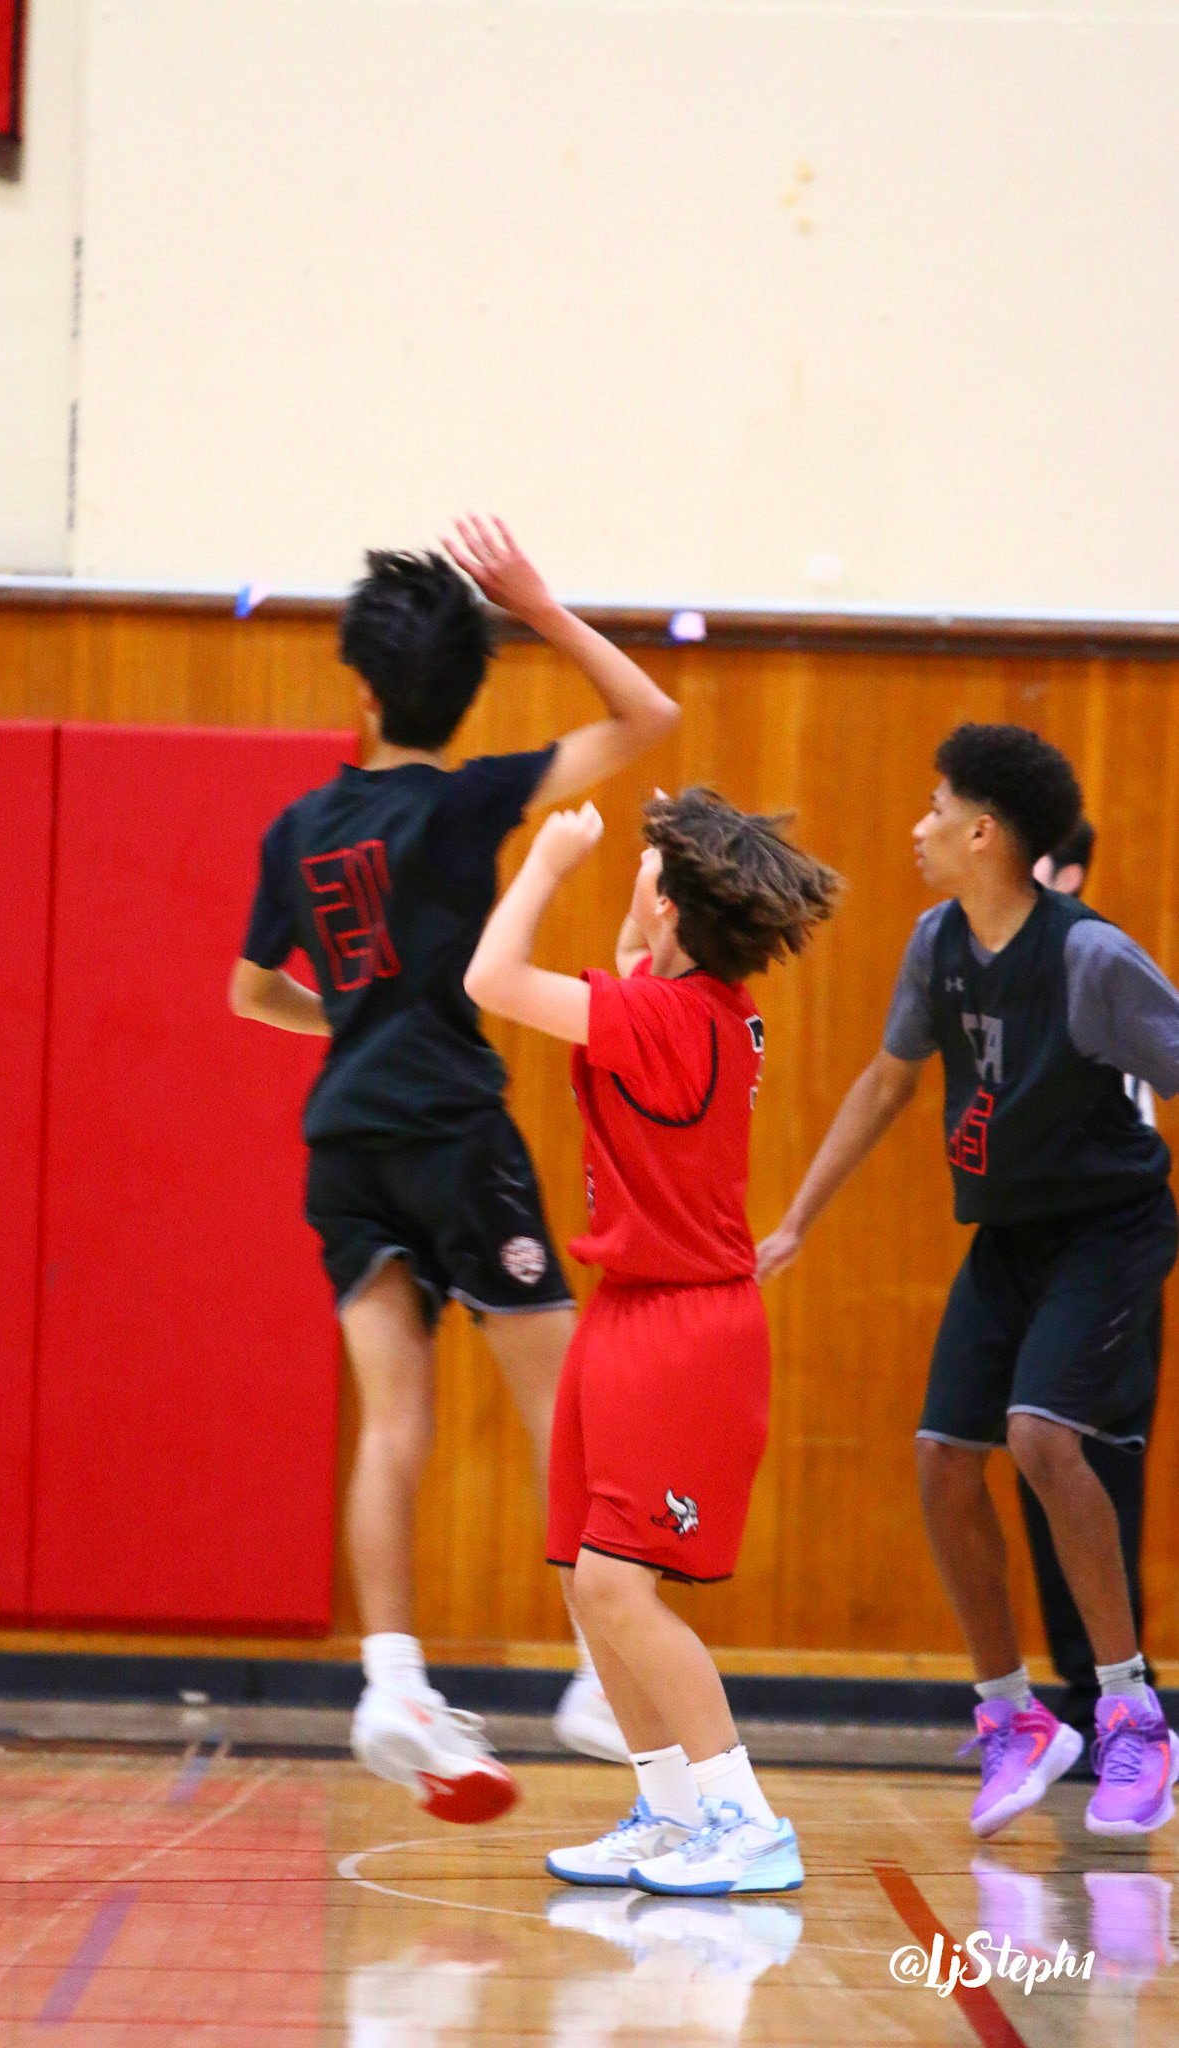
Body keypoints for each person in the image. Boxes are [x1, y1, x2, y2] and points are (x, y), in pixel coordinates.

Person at [230, 517, 679, 1821]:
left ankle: (393, 1684)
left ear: (361, 692)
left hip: (344, 1142)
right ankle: (599, 1674)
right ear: (462, 693)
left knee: (394, 1427)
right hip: (453, 1134)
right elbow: (648, 714)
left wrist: (351, 1025)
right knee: (567, 1410)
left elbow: (250, 990)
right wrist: (539, 603)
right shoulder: (470, 797)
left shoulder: (297, 827)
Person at [758, 725, 1179, 1840]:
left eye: (936, 807)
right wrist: (796, 1219)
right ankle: (1013, 1717)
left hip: (1108, 1232)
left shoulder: (1089, 958)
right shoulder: (935, 941)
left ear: (985, 831)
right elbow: (886, 1081)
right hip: (1008, 1238)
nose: (920, 825)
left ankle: (1133, 1715)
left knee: (1040, 1437)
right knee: (943, 1458)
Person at [465, 786, 841, 1895]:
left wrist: (547, 863)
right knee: (591, 1583)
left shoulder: (666, 1020)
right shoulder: (686, 1000)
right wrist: (680, 850)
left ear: (673, 905)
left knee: (622, 1589)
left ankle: (744, 1817)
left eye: (651, 866)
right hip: (628, 1309)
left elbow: (492, 980)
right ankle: (672, 1811)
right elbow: (637, 950)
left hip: (684, 1329)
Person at [1024, 818, 1162, 1738]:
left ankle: (1119, 1694)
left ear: (1064, 873)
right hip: (1033, 1249)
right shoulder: (990, 963)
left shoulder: (1097, 964)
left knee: (1096, 1460)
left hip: (1110, 1251)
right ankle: (1085, 1690)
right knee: (1029, 1454)